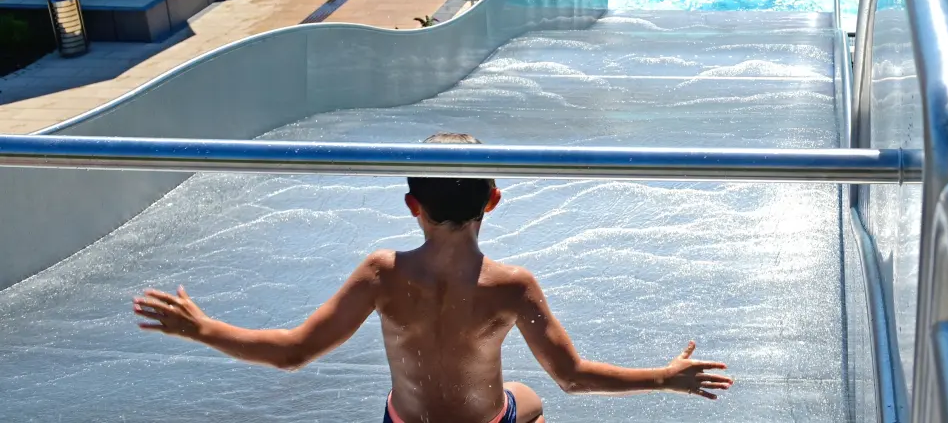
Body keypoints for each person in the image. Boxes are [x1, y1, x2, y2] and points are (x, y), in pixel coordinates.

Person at [136, 131, 733, 423]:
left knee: (523, 399)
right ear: (494, 201)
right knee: (534, 401)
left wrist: (202, 328)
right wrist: (664, 378)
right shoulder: (511, 286)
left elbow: (293, 353)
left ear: (410, 205)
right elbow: (574, 377)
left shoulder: (380, 274)